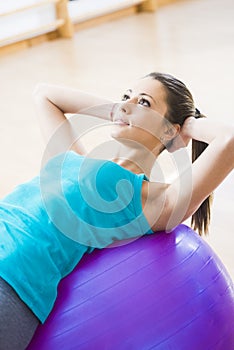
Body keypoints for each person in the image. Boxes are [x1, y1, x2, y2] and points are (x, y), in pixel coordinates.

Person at [0, 72, 233, 349]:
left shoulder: (148, 199)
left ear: (170, 130)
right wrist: (123, 111)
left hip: (12, 280)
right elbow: (45, 94)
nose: (128, 103)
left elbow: (228, 140)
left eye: (144, 102)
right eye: (126, 96)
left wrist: (187, 126)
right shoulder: (69, 159)